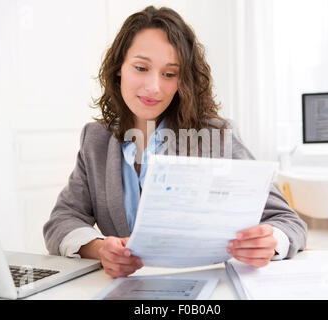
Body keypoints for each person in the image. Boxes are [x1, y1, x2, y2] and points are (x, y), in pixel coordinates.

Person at [43, 6, 307, 278]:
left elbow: (288, 222)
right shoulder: (95, 139)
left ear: (183, 80)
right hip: (124, 291)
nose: (154, 87)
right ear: (119, 68)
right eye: (141, 68)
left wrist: (270, 240)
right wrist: (101, 249)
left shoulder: (216, 136)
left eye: (169, 74)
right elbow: (61, 221)